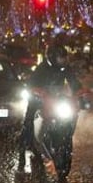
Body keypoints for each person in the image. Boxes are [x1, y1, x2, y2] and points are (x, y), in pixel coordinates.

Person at [18, 44, 82, 173]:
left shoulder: (65, 69)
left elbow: (74, 82)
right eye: (61, 58)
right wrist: (36, 92)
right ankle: (22, 151)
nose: (63, 60)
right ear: (53, 57)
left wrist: (80, 93)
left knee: (70, 116)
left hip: (56, 100)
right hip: (40, 100)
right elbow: (31, 84)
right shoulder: (42, 69)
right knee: (29, 122)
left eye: (65, 58)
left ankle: (63, 147)